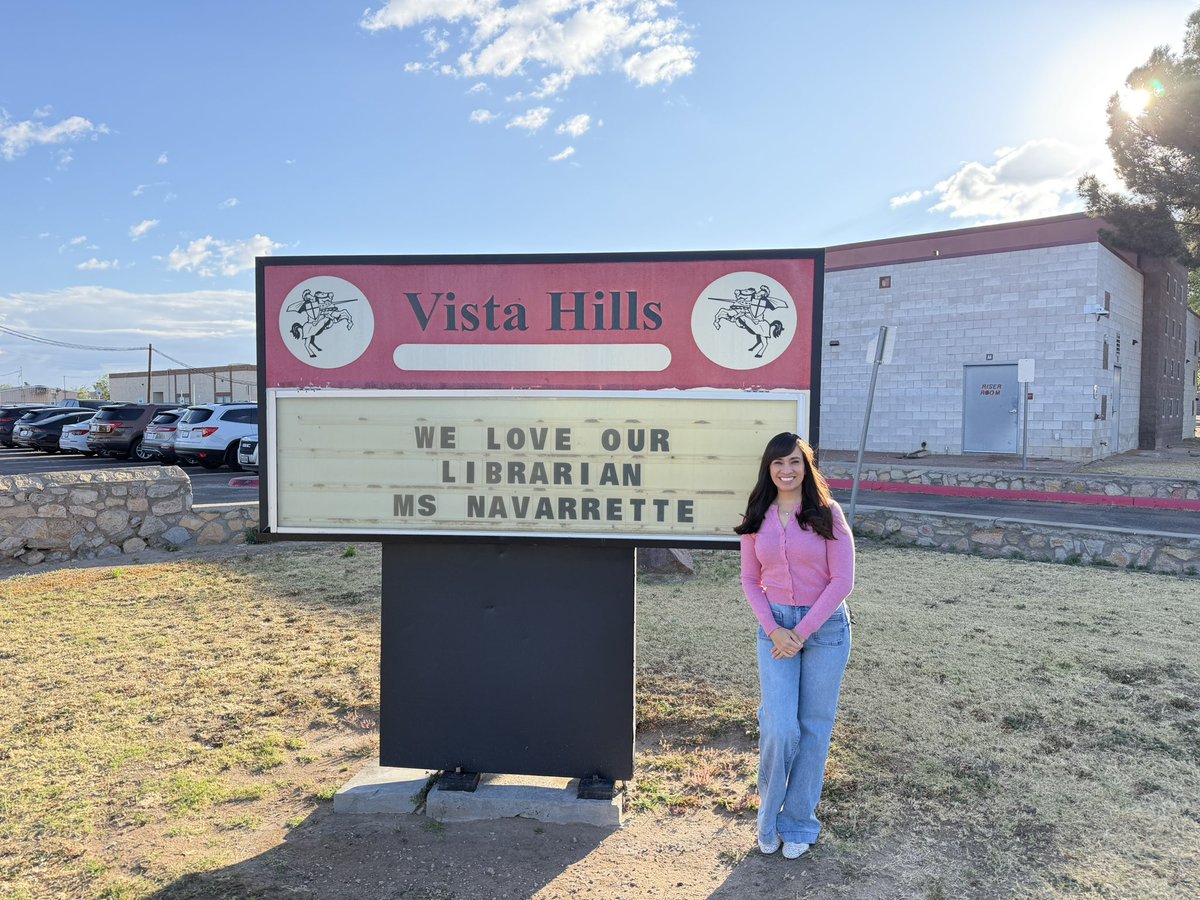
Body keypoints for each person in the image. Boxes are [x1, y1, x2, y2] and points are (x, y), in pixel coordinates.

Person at [735, 432, 854, 859]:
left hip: (823, 632)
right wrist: (774, 629)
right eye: (778, 464)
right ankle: (768, 820)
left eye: (795, 462)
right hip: (775, 629)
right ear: (768, 470)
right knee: (780, 727)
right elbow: (751, 579)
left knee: (813, 728)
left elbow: (842, 580)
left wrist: (801, 632)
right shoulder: (757, 515)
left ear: (807, 466)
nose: (787, 471)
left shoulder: (827, 513)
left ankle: (799, 823)